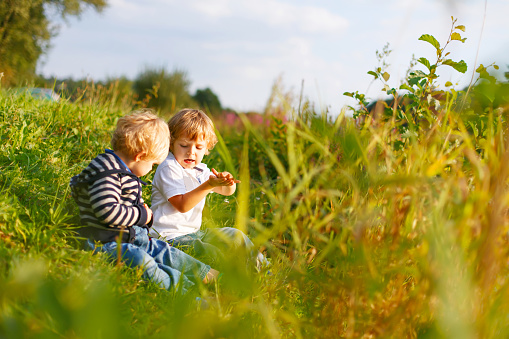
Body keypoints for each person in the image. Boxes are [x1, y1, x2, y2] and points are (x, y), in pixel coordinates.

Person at [69, 110, 219, 294]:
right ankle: (186, 292)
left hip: (131, 236)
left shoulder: (125, 172)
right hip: (105, 242)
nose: (151, 169)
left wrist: (143, 217)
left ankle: (207, 275)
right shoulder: (106, 172)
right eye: (152, 164)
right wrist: (142, 215)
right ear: (139, 156)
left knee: (165, 251)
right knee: (142, 261)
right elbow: (107, 211)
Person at [150, 109, 267, 269]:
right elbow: (182, 205)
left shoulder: (200, 170)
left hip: (194, 234)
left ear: (207, 148)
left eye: (198, 147)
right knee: (213, 253)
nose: (191, 152)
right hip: (168, 238)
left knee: (235, 235)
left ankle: (266, 270)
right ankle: (233, 276)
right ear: (171, 143)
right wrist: (209, 185)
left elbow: (227, 192)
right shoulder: (169, 168)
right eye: (184, 145)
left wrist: (226, 182)